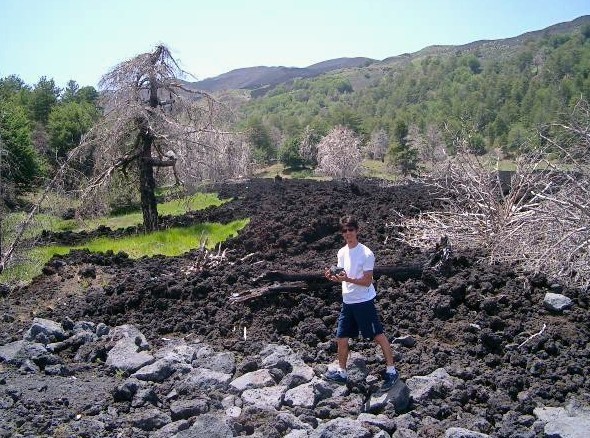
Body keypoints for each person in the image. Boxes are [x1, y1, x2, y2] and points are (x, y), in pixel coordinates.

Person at [323, 215, 399, 391]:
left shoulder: (366, 253)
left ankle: (391, 370)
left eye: (351, 230)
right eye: (344, 231)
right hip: (348, 301)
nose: (348, 233)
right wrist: (333, 278)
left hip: (363, 301)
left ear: (357, 231)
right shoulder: (341, 252)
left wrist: (347, 278)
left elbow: (367, 281)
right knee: (341, 337)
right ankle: (342, 372)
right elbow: (343, 276)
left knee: (378, 336)